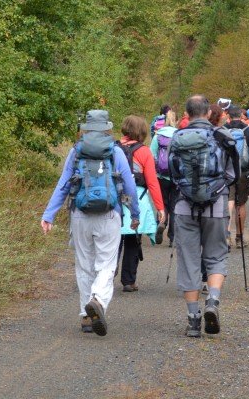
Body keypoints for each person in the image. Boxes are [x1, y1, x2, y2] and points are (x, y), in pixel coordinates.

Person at [41, 110, 139, 336]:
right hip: (109, 214)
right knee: (106, 264)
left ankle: (86, 317)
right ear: (107, 127)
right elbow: (129, 185)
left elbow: (63, 185)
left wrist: (49, 215)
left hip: (80, 215)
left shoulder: (76, 151)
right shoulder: (116, 151)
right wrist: (135, 214)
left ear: (86, 128)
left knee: (84, 265)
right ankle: (97, 299)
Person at [169, 95, 239, 338]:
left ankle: (193, 320)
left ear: (187, 115)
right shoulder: (222, 137)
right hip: (216, 206)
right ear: (209, 113)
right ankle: (213, 302)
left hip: (184, 207)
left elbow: (171, 173)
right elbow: (233, 175)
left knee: (188, 260)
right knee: (217, 255)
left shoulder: (177, 138)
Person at [117, 115, 166, 291]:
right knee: (132, 239)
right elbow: (152, 182)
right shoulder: (144, 152)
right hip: (136, 199)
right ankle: (129, 281)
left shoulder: (114, 148)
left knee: (114, 239)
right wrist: (160, 207)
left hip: (116, 198)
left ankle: (107, 275)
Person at [226, 104, 249, 247]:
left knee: (229, 202)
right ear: (241, 116)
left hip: (227, 172)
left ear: (228, 116)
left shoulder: (223, 131)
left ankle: (226, 236)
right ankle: (239, 238)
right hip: (243, 171)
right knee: (241, 204)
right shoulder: (248, 131)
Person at [151, 115, 179, 245]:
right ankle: (172, 237)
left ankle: (162, 223)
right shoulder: (179, 135)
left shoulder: (157, 136)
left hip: (161, 176)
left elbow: (152, 155)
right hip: (175, 176)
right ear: (176, 122)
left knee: (163, 204)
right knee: (174, 206)